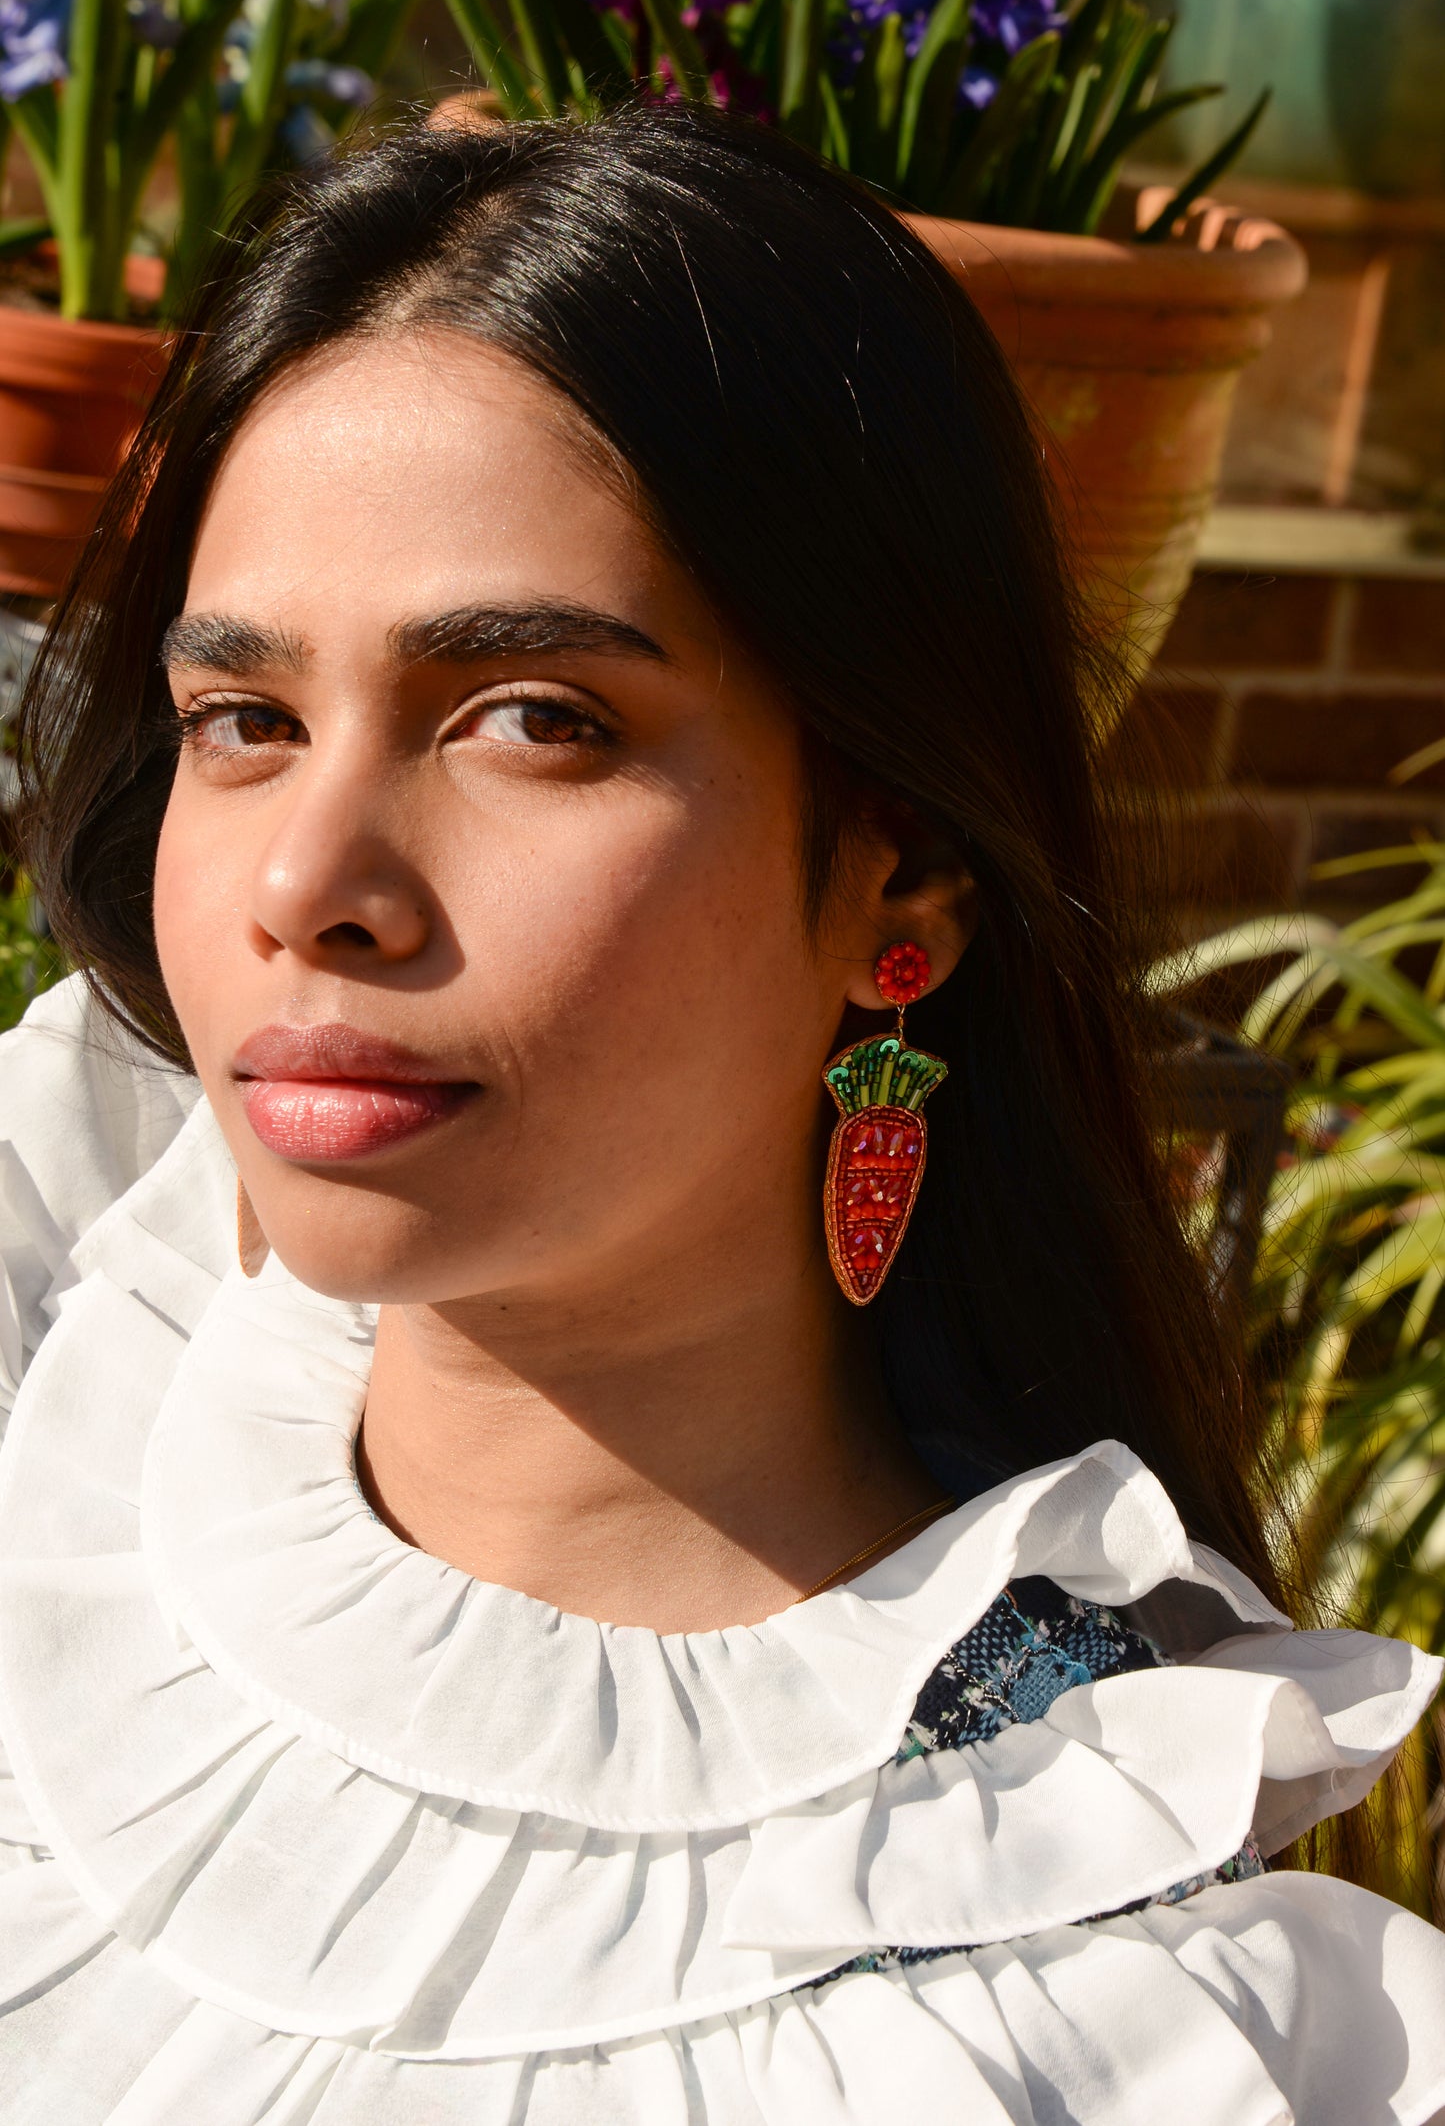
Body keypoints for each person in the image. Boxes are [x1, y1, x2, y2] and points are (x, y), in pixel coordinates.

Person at [0, 104, 1441, 2124]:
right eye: (247, 719)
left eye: (531, 720)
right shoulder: (54, 1330)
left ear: (901, 877)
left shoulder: (1123, 2014)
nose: (300, 879)